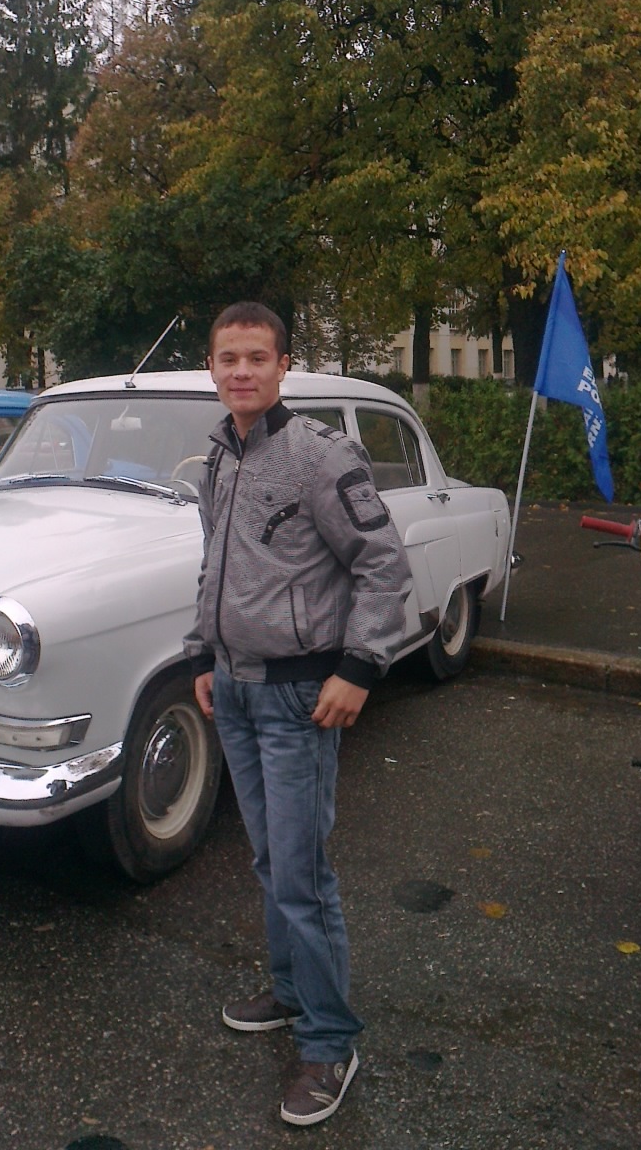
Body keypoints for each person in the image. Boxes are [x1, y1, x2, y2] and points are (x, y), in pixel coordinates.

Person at [185, 302, 413, 1127]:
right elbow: (215, 567)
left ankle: (329, 1043)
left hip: (297, 699)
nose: (241, 372)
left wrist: (359, 667)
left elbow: (383, 564)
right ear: (212, 368)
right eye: (228, 359)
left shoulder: (321, 456)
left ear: (285, 366)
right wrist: (204, 655)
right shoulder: (218, 457)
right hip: (236, 691)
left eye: (257, 358)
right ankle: (290, 994)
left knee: (302, 876)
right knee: (268, 860)